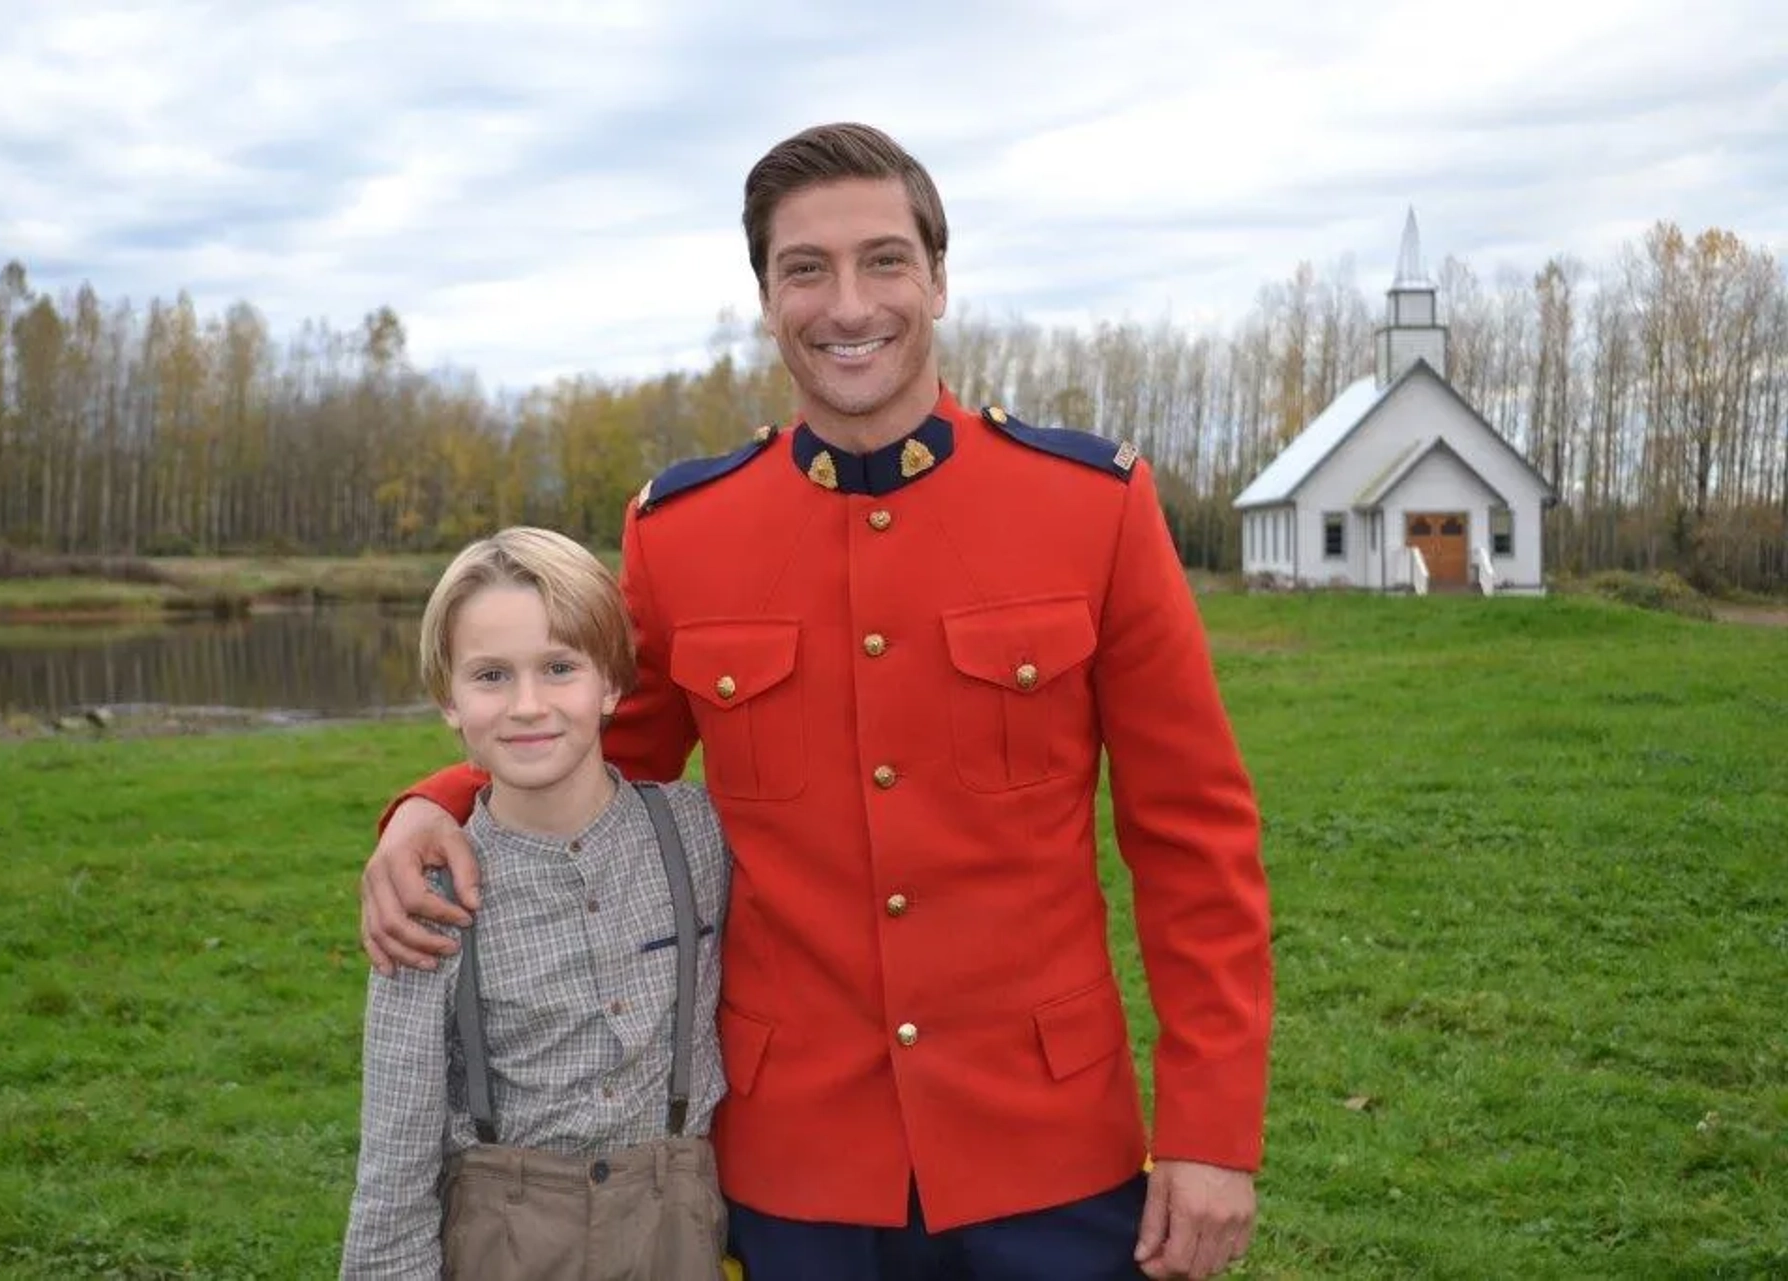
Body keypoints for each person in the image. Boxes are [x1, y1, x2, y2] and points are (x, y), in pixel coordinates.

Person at [360, 123, 1273, 1281]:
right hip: (793, 1163)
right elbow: (600, 752)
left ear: (938, 279)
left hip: (1050, 1147)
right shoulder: (683, 534)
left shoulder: (1090, 506)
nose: (849, 305)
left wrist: (1209, 1133)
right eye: (807, 269)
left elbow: (1194, 838)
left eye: (885, 260)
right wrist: (432, 804)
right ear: (765, 297)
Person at [340, 526, 732, 1280]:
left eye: (559, 667)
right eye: (490, 676)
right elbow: (393, 1167)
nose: (528, 705)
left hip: (678, 1235)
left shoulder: (699, 837)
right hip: (506, 1242)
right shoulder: (428, 895)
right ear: (447, 700)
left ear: (612, 683)